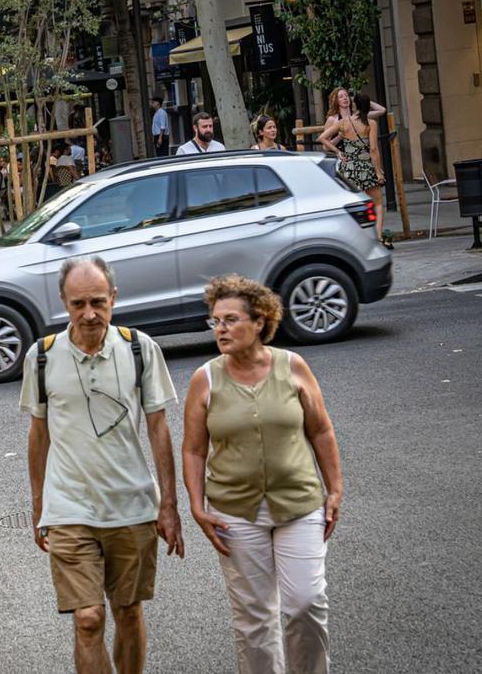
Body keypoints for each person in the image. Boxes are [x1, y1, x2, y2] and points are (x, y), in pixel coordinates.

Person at [22, 257, 184, 674]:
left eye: (98, 302)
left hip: (132, 505)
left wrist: (169, 504)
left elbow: (159, 429)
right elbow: (38, 434)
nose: (89, 314)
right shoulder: (42, 357)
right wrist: (39, 502)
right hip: (68, 508)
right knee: (88, 617)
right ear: (63, 302)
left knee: (128, 611)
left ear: (114, 298)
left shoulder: (139, 348)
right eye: (78, 304)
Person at [181, 275, 343, 674]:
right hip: (233, 511)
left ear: (260, 322)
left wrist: (335, 488)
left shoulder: (293, 367)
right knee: (254, 620)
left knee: (306, 603)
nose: (220, 329)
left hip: (299, 503)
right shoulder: (205, 378)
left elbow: (320, 429)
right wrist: (196, 505)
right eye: (215, 321)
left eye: (231, 320)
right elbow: (193, 448)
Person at [319, 92, 387, 245]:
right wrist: (378, 171)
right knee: (377, 202)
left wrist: (340, 148)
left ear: (354, 104)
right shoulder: (370, 123)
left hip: (348, 167)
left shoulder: (344, 122)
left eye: (348, 97)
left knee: (354, 204)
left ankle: (358, 238)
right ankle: (378, 237)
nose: (345, 99)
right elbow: (374, 149)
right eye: (341, 96)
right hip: (365, 165)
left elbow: (321, 137)